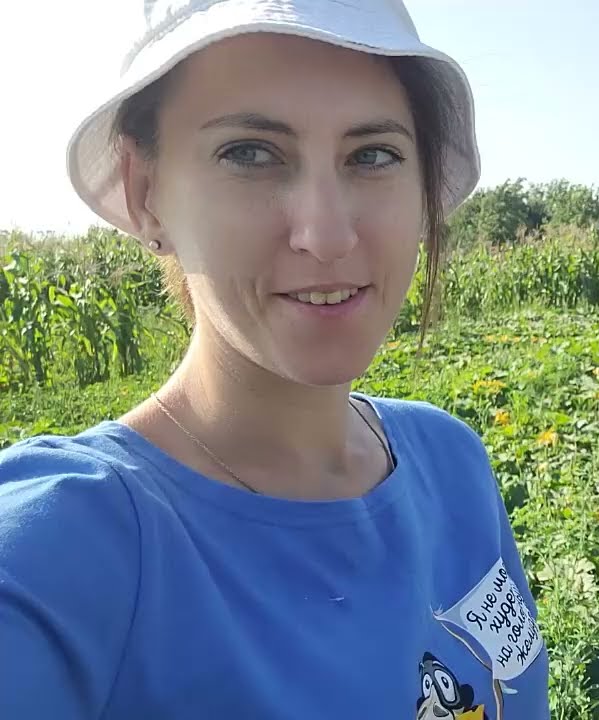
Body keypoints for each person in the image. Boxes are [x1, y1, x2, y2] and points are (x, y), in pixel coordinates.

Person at [0, 2, 550, 718]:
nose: (327, 234)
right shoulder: (65, 547)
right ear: (145, 193)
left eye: (372, 155)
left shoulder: (451, 461)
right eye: (250, 153)